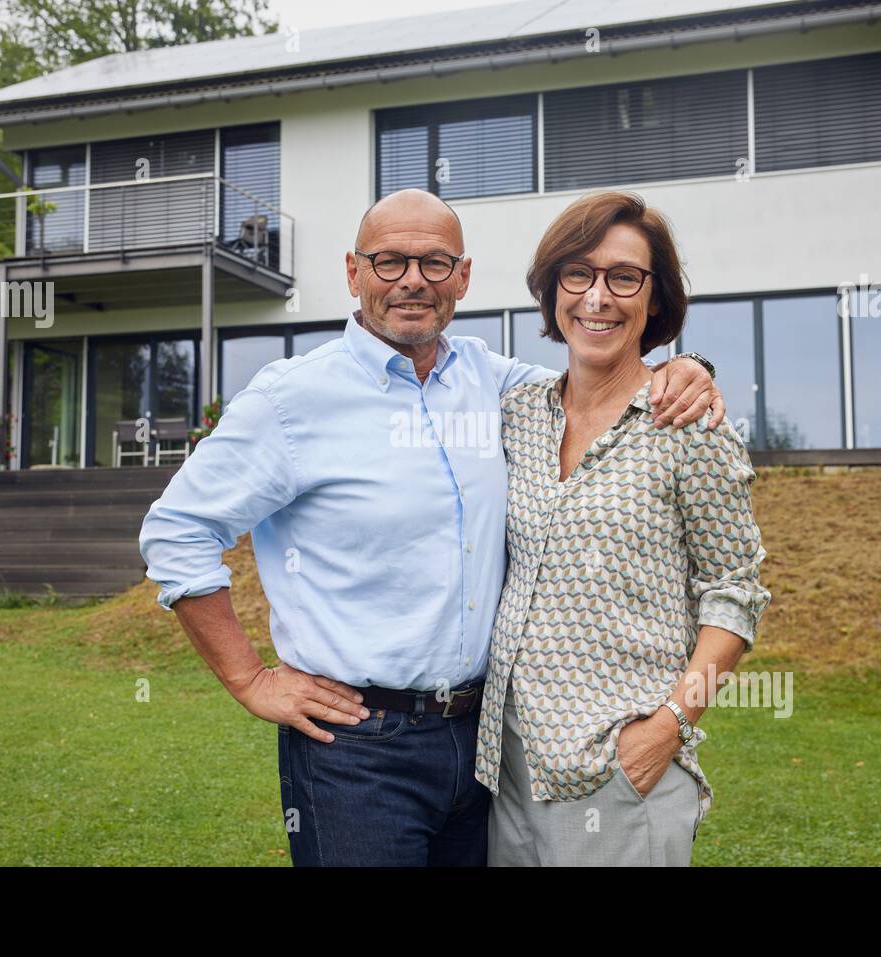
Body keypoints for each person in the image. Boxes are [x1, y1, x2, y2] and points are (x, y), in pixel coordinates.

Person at [138, 188, 724, 866]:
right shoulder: (289, 400)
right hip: (355, 750)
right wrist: (250, 680)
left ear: (463, 277)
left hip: (482, 745)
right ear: (354, 273)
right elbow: (177, 532)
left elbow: (603, 383)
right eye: (389, 261)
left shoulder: (495, 383)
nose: (412, 279)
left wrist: (685, 371)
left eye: (435, 262)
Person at [477, 191, 771, 867]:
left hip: (621, 770)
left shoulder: (688, 426)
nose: (597, 297)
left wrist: (670, 726)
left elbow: (735, 594)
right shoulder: (517, 413)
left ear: (654, 297)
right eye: (577, 274)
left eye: (623, 277)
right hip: (507, 770)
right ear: (553, 290)